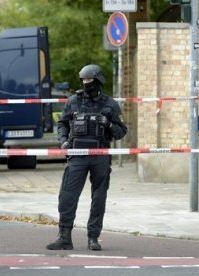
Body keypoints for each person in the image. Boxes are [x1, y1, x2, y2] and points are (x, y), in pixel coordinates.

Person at [46, 64, 127, 251]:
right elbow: (63, 124)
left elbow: (121, 132)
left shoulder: (110, 104)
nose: (85, 83)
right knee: (67, 196)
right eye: (83, 80)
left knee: (98, 198)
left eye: (89, 80)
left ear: (98, 81)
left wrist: (107, 124)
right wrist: (64, 141)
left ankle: (93, 237)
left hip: (100, 155)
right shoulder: (73, 101)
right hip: (77, 154)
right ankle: (64, 237)